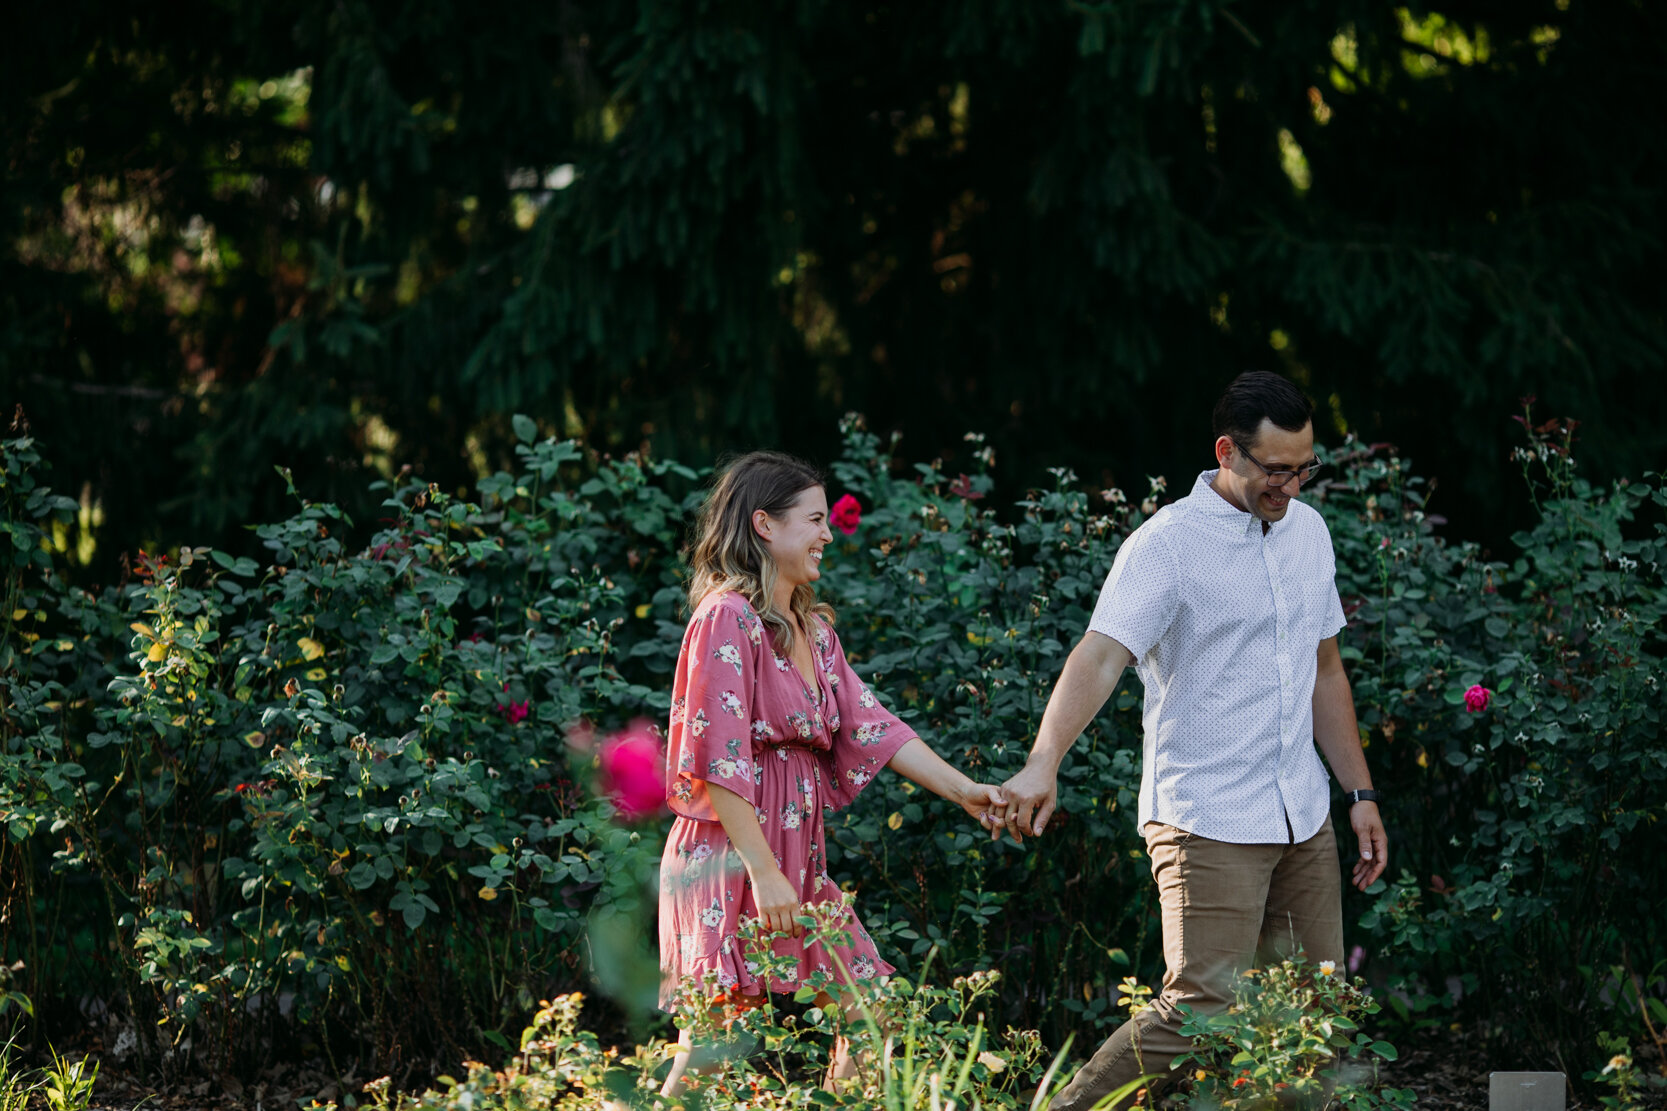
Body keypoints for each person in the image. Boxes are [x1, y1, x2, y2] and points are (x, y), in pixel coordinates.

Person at [998, 371, 1389, 1110]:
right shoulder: (1167, 544)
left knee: (1313, 1016)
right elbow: (1100, 653)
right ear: (1226, 452)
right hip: (1205, 816)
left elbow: (1324, 669)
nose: (1290, 485)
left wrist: (1358, 791)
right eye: (1274, 469)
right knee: (1200, 1007)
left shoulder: (1308, 531)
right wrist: (1041, 761)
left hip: (1300, 813)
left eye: (1303, 467)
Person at [656, 450, 1007, 1094]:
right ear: (764, 524)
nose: (827, 535)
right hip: (733, 860)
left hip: (799, 867)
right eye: (814, 520)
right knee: (709, 1051)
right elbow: (716, 759)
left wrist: (967, 794)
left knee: (874, 1016)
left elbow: (872, 727)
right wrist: (762, 872)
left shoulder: (813, 631)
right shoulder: (727, 618)